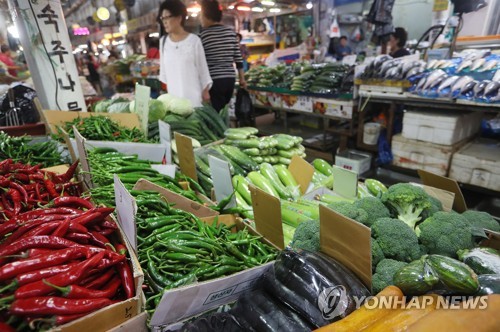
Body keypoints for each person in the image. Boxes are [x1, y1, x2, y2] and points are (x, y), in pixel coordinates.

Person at [158, 0, 212, 107]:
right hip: (174, 105)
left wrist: (205, 92)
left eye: (167, 17)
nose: (164, 21)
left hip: (195, 102)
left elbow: (203, 71)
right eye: (162, 18)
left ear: (179, 17)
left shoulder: (194, 41)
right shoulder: (163, 43)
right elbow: (164, 75)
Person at [199, 0, 246, 112]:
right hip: (230, 80)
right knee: (223, 111)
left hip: (214, 81)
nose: (199, 19)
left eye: (200, 15)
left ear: (207, 16)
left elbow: (200, 63)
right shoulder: (230, 33)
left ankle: (223, 129)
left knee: (215, 115)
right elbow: (238, 59)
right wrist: (242, 79)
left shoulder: (203, 36)